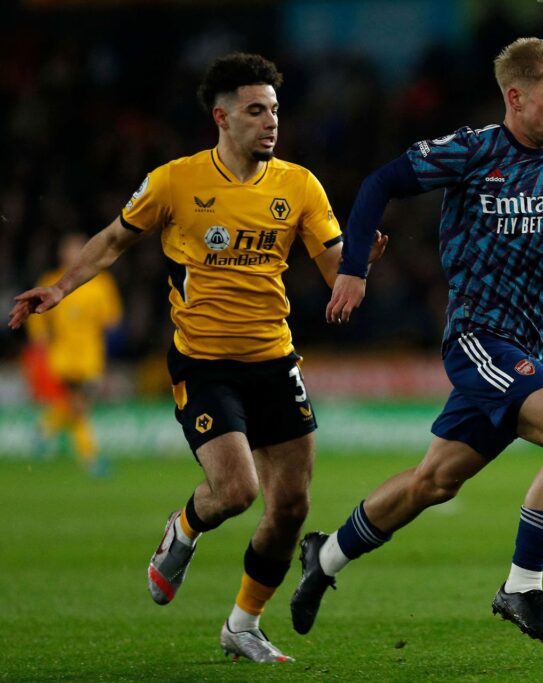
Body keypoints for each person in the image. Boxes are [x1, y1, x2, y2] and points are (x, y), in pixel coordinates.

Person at [8, 52, 385, 663]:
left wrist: (359, 270)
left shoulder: (299, 184)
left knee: (291, 505)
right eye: (256, 111)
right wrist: (59, 287)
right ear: (222, 117)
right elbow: (110, 242)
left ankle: (242, 625)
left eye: (275, 111)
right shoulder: (174, 182)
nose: (271, 123)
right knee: (235, 491)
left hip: (274, 358)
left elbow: (333, 268)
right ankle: (182, 528)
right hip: (204, 362)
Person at [289, 37, 543, 648]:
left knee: (435, 483)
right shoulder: (472, 151)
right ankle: (522, 588)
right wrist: (353, 267)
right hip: (480, 339)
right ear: (516, 97)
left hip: (529, 348)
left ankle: (324, 559)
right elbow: (380, 184)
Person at [23, 233, 123, 474]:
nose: (73, 255)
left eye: (79, 250)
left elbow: (113, 319)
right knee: (79, 405)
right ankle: (90, 459)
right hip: (64, 355)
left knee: (77, 405)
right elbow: (37, 321)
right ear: (61, 254)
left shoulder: (101, 283)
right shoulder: (51, 281)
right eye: (70, 250)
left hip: (90, 356)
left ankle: (46, 428)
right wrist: (41, 338)